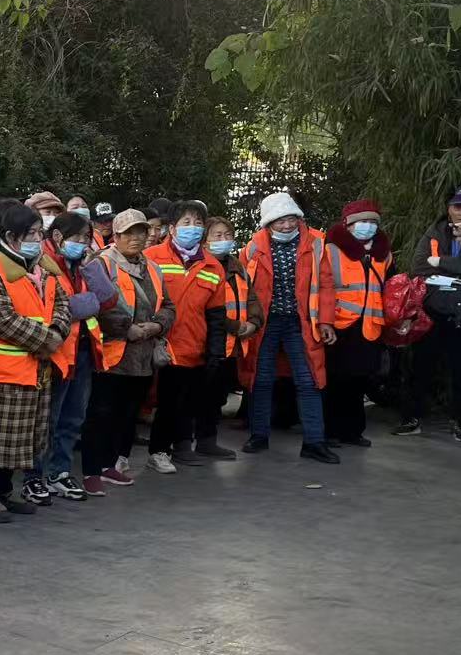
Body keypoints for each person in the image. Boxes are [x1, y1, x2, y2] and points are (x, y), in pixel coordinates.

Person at [0, 204, 71, 523]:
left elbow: (62, 305)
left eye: (39, 233)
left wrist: (56, 331)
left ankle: (4, 493)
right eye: (31, 234)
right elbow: (0, 319)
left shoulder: (44, 267)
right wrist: (49, 340)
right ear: (11, 236)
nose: (38, 240)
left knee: (18, 439)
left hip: (34, 369)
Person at [77, 210, 174, 494]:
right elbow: (98, 304)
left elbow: (169, 306)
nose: (136, 238)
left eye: (141, 232)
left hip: (143, 357)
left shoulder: (152, 268)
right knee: (101, 414)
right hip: (111, 354)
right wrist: (126, 328)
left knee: (127, 414)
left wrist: (156, 326)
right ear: (116, 236)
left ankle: (110, 465)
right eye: (129, 233)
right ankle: (91, 471)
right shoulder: (101, 263)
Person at [238, 191, 338, 463]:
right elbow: (242, 288)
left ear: (298, 218)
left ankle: (314, 442)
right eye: (279, 221)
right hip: (265, 323)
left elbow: (326, 284)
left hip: (300, 323)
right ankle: (258, 435)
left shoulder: (316, 243)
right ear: (268, 224)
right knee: (261, 379)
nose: (286, 225)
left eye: (291, 219)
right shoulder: (253, 247)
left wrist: (326, 321)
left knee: (308, 380)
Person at [25, 210, 110, 503]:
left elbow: (108, 299)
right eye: (79, 238)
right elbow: (52, 307)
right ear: (58, 236)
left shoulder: (83, 264)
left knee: (73, 418)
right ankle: (34, 476)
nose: (84, 244)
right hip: (56, 354)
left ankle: (59, 472)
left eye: (87, 238)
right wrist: (87, 304)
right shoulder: (42, 262)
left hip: (84, 352)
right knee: (46, 420)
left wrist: (91, 269)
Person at [144, 200, 229, 473]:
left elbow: (216, 315)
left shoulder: (213, 267)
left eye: (198, 223)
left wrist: (215, 352)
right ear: (172, 228)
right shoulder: (152, 257)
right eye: (186, 223)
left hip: (193, 346)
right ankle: (131, 454)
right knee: (148, 401)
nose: (193, 228)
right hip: (156, 343)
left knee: (181, 402)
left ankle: (168, 450)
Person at [398, 185, 461, 441]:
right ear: (448, 209)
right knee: (420, 368)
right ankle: (412, 418)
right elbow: (419, 267)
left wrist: (441, 264)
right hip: (433, 311)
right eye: (457, 206)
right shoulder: (435, 232)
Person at [321, 199, 393, 448]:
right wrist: (323, 320)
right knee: (335, 380)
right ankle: (329, 431)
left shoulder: (383, 254)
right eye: (362, 221)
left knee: (360, 380)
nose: (367, 226)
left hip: (370, 325)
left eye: (372, 222)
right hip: (339, 324)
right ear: (348, 225)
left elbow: (391, 287)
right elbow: (321, 287)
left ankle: (353, 431)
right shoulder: (330, 250)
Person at [196, 217, 262, 459]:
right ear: (204, 241)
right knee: (200, 396)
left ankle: (207, 442)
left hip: (232, 346)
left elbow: (251, 297)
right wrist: (234, 326)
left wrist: (254, 322)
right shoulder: (201, 266)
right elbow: (202, 307)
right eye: (217, 235)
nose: (224, 240)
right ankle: (184, 442)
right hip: (206, 343)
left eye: (228, 235)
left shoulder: (237, 267)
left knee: (218, 396)